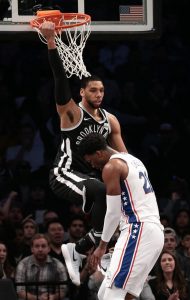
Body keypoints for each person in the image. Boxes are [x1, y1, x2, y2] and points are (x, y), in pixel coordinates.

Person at [39, 21, 127, 286]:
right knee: (102, 190)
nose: (98, 94)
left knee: (118, 205)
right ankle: (80, 248)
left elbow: (125, 158)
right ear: (82, 92)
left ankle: (76, 249)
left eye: (101, 90)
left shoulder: (109, 120)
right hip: (64, 173)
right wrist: (52, 41)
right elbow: (59, 78)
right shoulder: (72, 114)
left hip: (89, 177)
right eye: (93, 90)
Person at [78, 133, 164, 300]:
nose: (93, 166)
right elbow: (115, 130)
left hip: (138, 230)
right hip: (151, 232)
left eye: (90, 161)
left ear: (99, 153)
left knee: (112, 296)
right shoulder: (133, 160)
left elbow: (113, 212)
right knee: (108, 295)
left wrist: (102, 246)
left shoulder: (111, 167)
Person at [15, 233, 68, 300]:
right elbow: (20, 291)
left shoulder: (58, 264)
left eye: (43, 246)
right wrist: (38, 298)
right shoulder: (23, 264)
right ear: (32, 249)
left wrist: (53, 297)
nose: (40, 249)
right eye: (37, 246)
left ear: (49, 248)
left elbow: (63, 290)